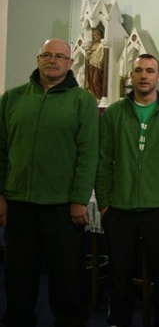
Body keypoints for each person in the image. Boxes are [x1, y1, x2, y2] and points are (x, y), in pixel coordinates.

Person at [0, 38, 99, 326]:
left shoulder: (83, 101)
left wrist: (80, 199)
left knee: (67, 277)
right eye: (46, 55)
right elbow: (2, 150)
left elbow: (88, 153)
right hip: (19, 205)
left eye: (59, 56)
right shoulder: (12, 98)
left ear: (70, 64)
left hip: (63, 207)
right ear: (38, 59)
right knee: (18, 276)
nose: (52, 60)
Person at [95, 53, 159, 327]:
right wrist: (104, 204)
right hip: (119, 209)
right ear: (131, 76)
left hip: (158, 209)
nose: (144, 76)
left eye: (150, 71)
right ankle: (118, 321)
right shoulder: (114, 113)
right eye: (138, 70)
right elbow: (102, 163)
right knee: (120, 273)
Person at [85, 27, 105, 100]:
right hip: (91, 64)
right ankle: (93, 97)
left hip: (97, 65)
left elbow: (102, 55)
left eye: (96, 35)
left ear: (100, 35)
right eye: (94, 35)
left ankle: (99, 97)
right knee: (91, 82)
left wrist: (100, 62)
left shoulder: (102, 45)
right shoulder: (94, 44)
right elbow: (88, 53)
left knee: (95, 81)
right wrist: (89, 52)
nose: (95, 37)